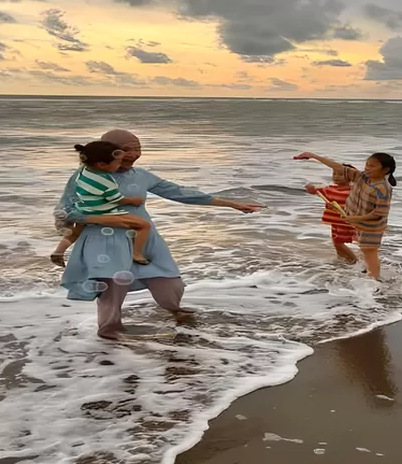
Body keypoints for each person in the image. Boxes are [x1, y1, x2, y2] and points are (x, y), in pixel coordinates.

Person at [56, 129, 264, 340]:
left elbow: (180, 192)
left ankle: (175, 309)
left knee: (170, 281)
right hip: (106, 240)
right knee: (112, 287)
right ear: (109, 152)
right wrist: (98, 220)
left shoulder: (141, 176)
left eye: (138, 149)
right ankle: (109, 334)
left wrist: (232, 204)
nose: (134, 154)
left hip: (145, 238)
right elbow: (66, 210)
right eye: (127, 150)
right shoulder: (84, 178)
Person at [295, 152, 396, 279]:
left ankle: (375, 281)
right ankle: (368, 274)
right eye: (367, 165)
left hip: (372, 226)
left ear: (385, 170)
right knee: (365, 250)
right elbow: (338, 167)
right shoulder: (362, 177)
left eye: (372, 166)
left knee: (370, 251)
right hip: (359, 223)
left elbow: (379, 213)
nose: (367, 168)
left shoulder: (382, 189)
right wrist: (314, 156)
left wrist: (353, 218)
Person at [52, 141, 152, 267]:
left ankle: (58, 252)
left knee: (75, 233)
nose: (120, 165)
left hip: (84, 209)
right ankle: (136, 254)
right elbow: (115, 199)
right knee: (143, 225)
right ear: (102, 165)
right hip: (102, 212)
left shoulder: (84, 171)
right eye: (118, 162)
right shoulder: (105, 180)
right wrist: (133, 200)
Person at [304, 164, 357, 264]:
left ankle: (354, 261)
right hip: (335, 222)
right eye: (334, 174)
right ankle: (342, 260)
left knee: (339, 243)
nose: (336, 176)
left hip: (346, 222)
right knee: (336, 242)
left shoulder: (354, 191)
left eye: (340, 174)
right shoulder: (331, 189)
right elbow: (317, 191)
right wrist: (311, 189)